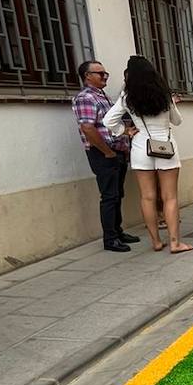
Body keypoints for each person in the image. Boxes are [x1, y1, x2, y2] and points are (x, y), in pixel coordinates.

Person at [103, 55, 193, 255]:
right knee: (170, 197)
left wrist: (124, 131)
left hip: (141, 146)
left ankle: (156, 242)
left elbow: (108, 120)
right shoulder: (164, 94)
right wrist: (174, 104)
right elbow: (177, 121)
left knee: (147, 197)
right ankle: (175, 243)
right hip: (166, 147)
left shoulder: (127, 96)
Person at [72, 59, 139, 254]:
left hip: (116, 152)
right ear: (88, 76)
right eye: (100, 74)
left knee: (117, 194)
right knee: (109, 196)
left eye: (105, 74)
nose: (104, 77)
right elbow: (88, 128)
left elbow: (110, 125)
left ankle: (117, 231)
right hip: (103, 153)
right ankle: (110, 238)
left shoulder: (102, 96)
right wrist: (107, 152)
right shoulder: (86, 97)